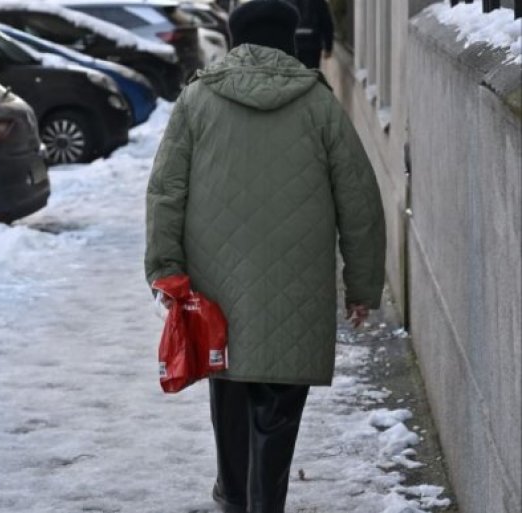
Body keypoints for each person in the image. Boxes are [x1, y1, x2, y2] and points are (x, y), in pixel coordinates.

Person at [144, 1, 385, 512]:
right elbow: (360, 201)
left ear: (235, 39)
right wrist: (362, 287)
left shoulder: (197, 100)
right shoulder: (318, 104)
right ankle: (262, 503)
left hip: (217, 289)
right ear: (288, 40)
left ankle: (233, 496)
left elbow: (166, 190)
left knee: (229, 394)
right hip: (296, 291)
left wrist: (165, 269)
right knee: (277, 410)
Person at [285, 0, 335, 68]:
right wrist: (328, 47)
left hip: (292, 45)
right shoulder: (318, 2)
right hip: (312, 45)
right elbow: (326, 22)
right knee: (311, 74)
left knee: (293, 75)